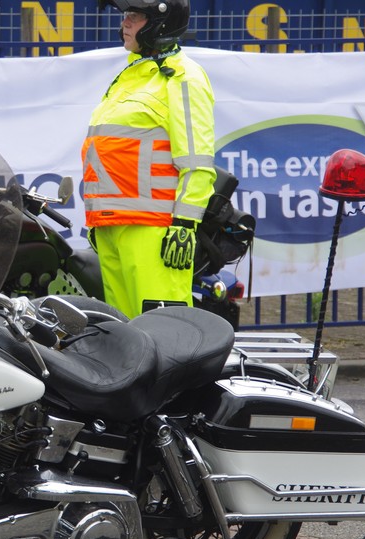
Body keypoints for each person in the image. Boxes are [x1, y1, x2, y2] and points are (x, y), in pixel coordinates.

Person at [82, 0, 216, 318]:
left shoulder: (183, 77)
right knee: (124, 333)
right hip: (111, 226)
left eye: (136, 16)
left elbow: (197, 162)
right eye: (125, 15)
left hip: (153, 230)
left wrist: (184, 225)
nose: (125, 23)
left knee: (162, 329)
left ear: (161, 22)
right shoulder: (132, 75)